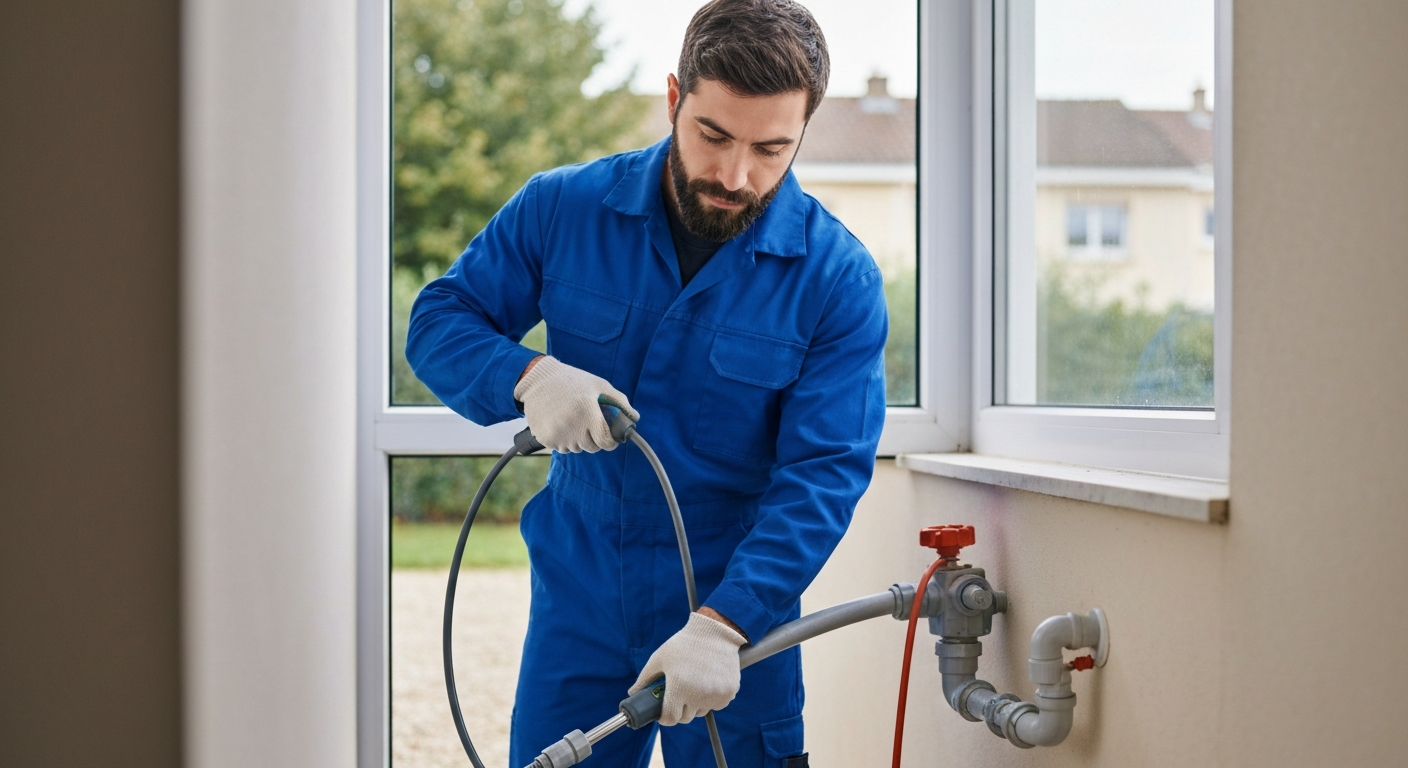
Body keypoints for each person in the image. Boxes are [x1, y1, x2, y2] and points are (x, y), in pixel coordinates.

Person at [407, 1, 887, 765]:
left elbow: (822, 476)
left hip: (736, 606)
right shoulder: (562, 209)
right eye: (713, 135)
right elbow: (438, 321)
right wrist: (527, 374)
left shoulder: (837, 279)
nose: (736, 175)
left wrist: (724, 623)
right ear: (674, 99)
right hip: (582, 590)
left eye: (771, 148)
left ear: (804, 132)